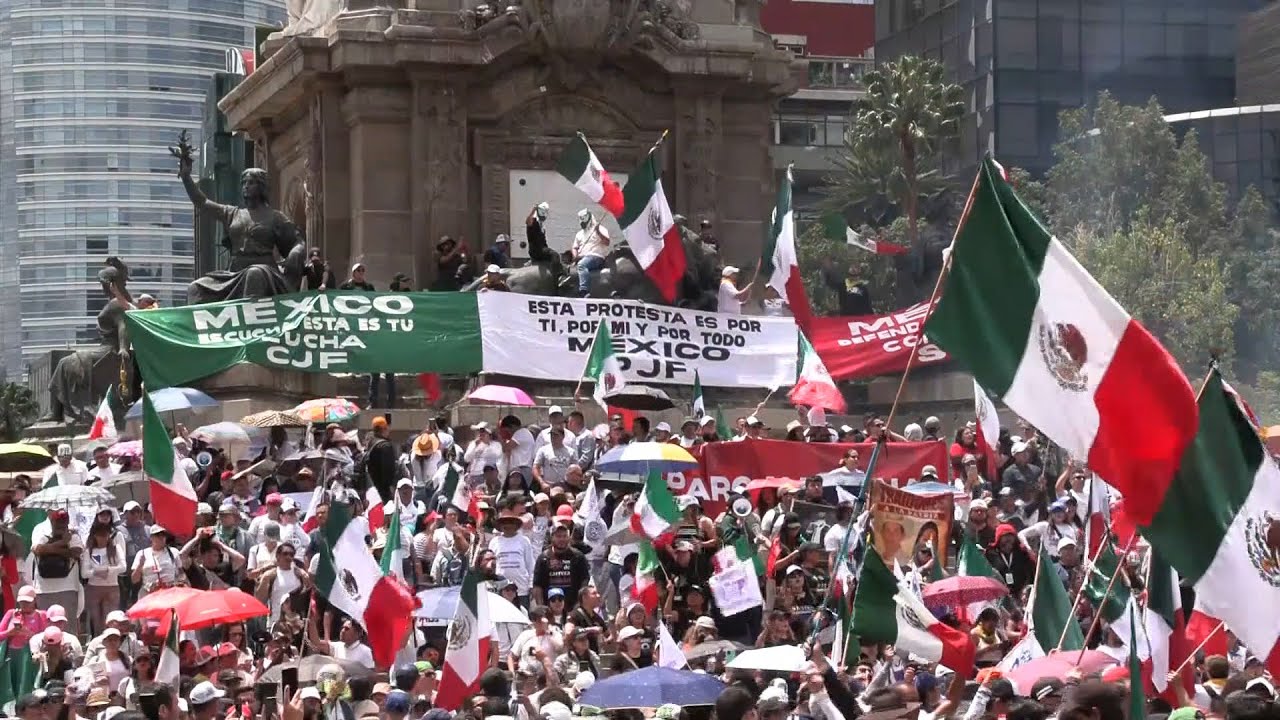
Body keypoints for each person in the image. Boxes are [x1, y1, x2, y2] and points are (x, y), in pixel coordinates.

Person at [31, 508, 83, 634]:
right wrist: (63, 542)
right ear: (52, 521)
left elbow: (76, 552)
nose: (61, 524)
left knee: (68, 627)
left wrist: (49, 549)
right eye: (58, 521)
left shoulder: (74, 535)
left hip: (68, 588)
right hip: (43, 589)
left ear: (68, 521)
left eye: (64, 521)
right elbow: (38, 550)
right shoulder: (41, 532)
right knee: (45, 627)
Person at [571, 210, 610, 297]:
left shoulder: (601, 229)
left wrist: (598, 232)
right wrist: (575, 256)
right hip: (582, 257)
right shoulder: (579, 234)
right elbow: (575, 247)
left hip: (595, 256)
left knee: (582, 265)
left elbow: (607, 242)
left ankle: (584, 290)